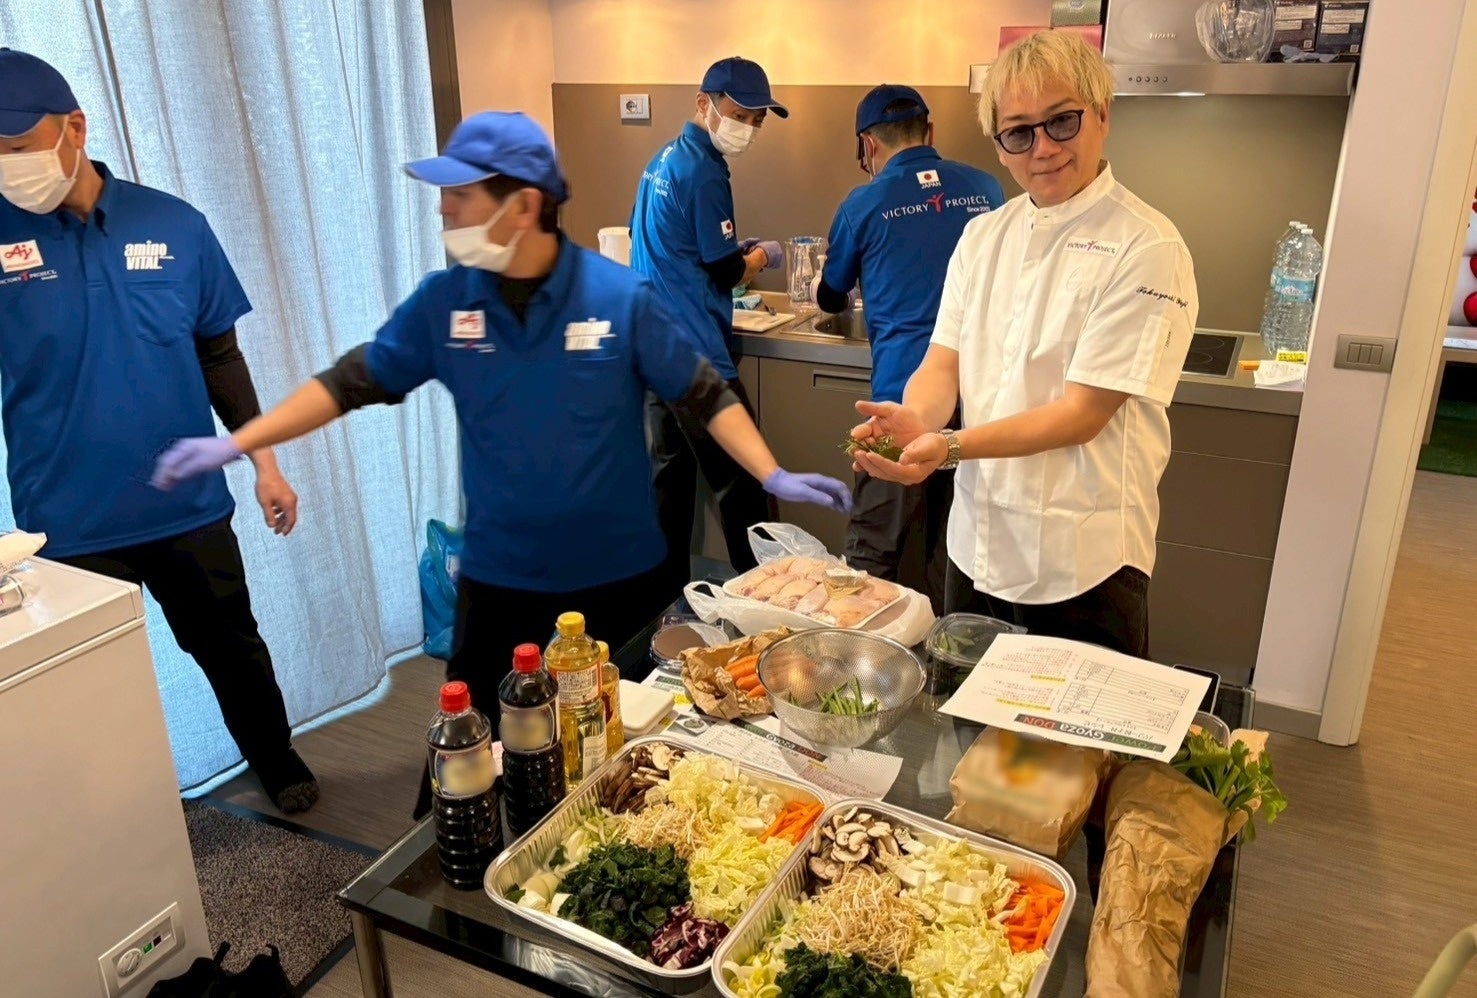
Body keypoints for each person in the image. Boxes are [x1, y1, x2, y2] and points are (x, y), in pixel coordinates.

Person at [151, 112, 851, 792]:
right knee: (465, 762)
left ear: (521, 206)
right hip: (502, 576)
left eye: (460, 196)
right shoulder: (448, 302)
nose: (444, 211)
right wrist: (241, 440)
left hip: (614, 576)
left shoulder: (617, 297)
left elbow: (702, 392)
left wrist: (770, 471)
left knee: (611, 759)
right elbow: (351, 380)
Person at [0, 49, 318, 812]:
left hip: (186, 504)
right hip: (65, 522)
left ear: (74, 128)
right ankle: (121, 815)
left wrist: (265, 465)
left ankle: (277, 763)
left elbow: (220, 357)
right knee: (89, 689)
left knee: (232, 649)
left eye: (17, 146)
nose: (7, 166)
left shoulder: (174, 225)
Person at [848, 31, 1198, 658]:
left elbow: (1083, 413)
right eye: (1019, 132)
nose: (1043, 148)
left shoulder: (1147, 246)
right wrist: (916, 417)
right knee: (965, 717)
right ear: (999, 144)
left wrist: (948, 445)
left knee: (1074, 725)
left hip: (1082, 561)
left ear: (1101, 114)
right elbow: (943, 361)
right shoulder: (983, 236)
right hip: (976, 547)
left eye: (1061, 121)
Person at [812, 84, 1005, 614]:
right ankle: (942, 653)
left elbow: (830, 296)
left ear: (868, 145)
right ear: (930, 131)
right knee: (956, 548)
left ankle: (855, 652)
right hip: (981, 404)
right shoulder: (987, 188)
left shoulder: (864, 203)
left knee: (873, 548)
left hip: (902, 405)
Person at [629, 56, 791, 590]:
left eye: (757, 119)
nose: (748, 127)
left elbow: (669, 245)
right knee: (746, 485)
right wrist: (761, 257)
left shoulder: (662, 160)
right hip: (696, 358)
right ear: (704, 103)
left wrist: (729, 252)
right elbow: (724, 272)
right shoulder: (703, 171)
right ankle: (764, 605)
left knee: (669, 487)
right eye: (739, 114)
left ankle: (662, 607)